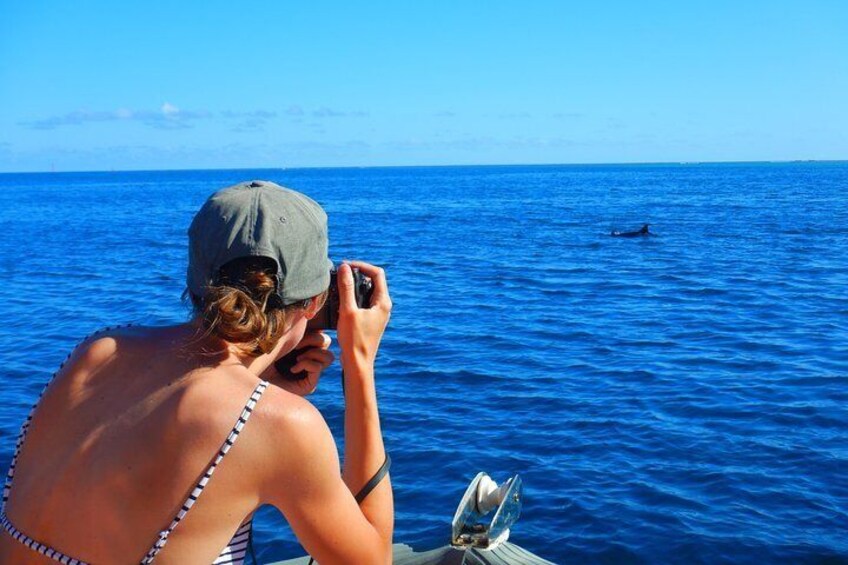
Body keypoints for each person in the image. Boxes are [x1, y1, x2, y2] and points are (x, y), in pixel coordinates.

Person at [0, 180, 393, 564]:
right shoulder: (279, 424)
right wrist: (359, 362)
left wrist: (260, 389)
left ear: (196, 282)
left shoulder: (98, 350)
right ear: (313, 302)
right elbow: (370, 561)